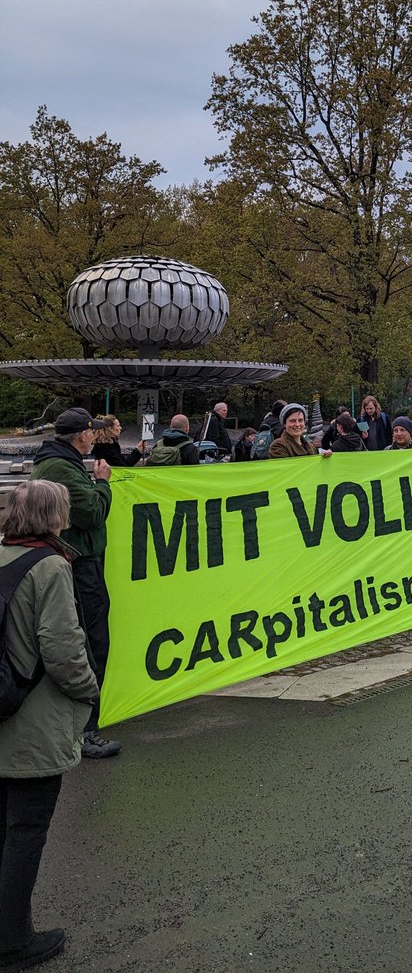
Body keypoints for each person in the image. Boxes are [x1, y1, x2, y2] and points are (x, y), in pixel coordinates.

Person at [0, 481, 98, 969]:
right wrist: (90, 690)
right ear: (52, 517)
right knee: (27, 830)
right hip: (32, 720)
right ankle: (14, 940)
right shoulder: (51, 567)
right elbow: (62, 648)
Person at [29, 408, 118, 759]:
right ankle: (85, 729)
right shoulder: (61, 468)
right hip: (79, 565)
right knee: (91, 642)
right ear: (82, 435)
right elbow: (92, 511)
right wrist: (103, 484)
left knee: (87, 639)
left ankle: (80, 724)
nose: (95, 436)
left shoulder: (59, 462)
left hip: (78, 562)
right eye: (92, 432)